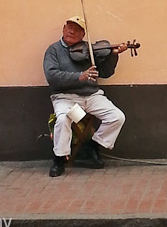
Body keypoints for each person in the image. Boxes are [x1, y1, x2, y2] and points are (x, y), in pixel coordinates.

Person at [43, 15, 128, 177]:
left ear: (83, 35)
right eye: (70, 28)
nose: (72, 32)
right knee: (62, 119)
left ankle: (92, 145)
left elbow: (105, 73)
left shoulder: (90, 49)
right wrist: (79, 76)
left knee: (117, 117)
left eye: (77, 30)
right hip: (66, 97)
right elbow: (52, 76)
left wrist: (113, 55)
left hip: (92, 96)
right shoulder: (53, 50)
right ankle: (59, 159)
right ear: (63, 29)